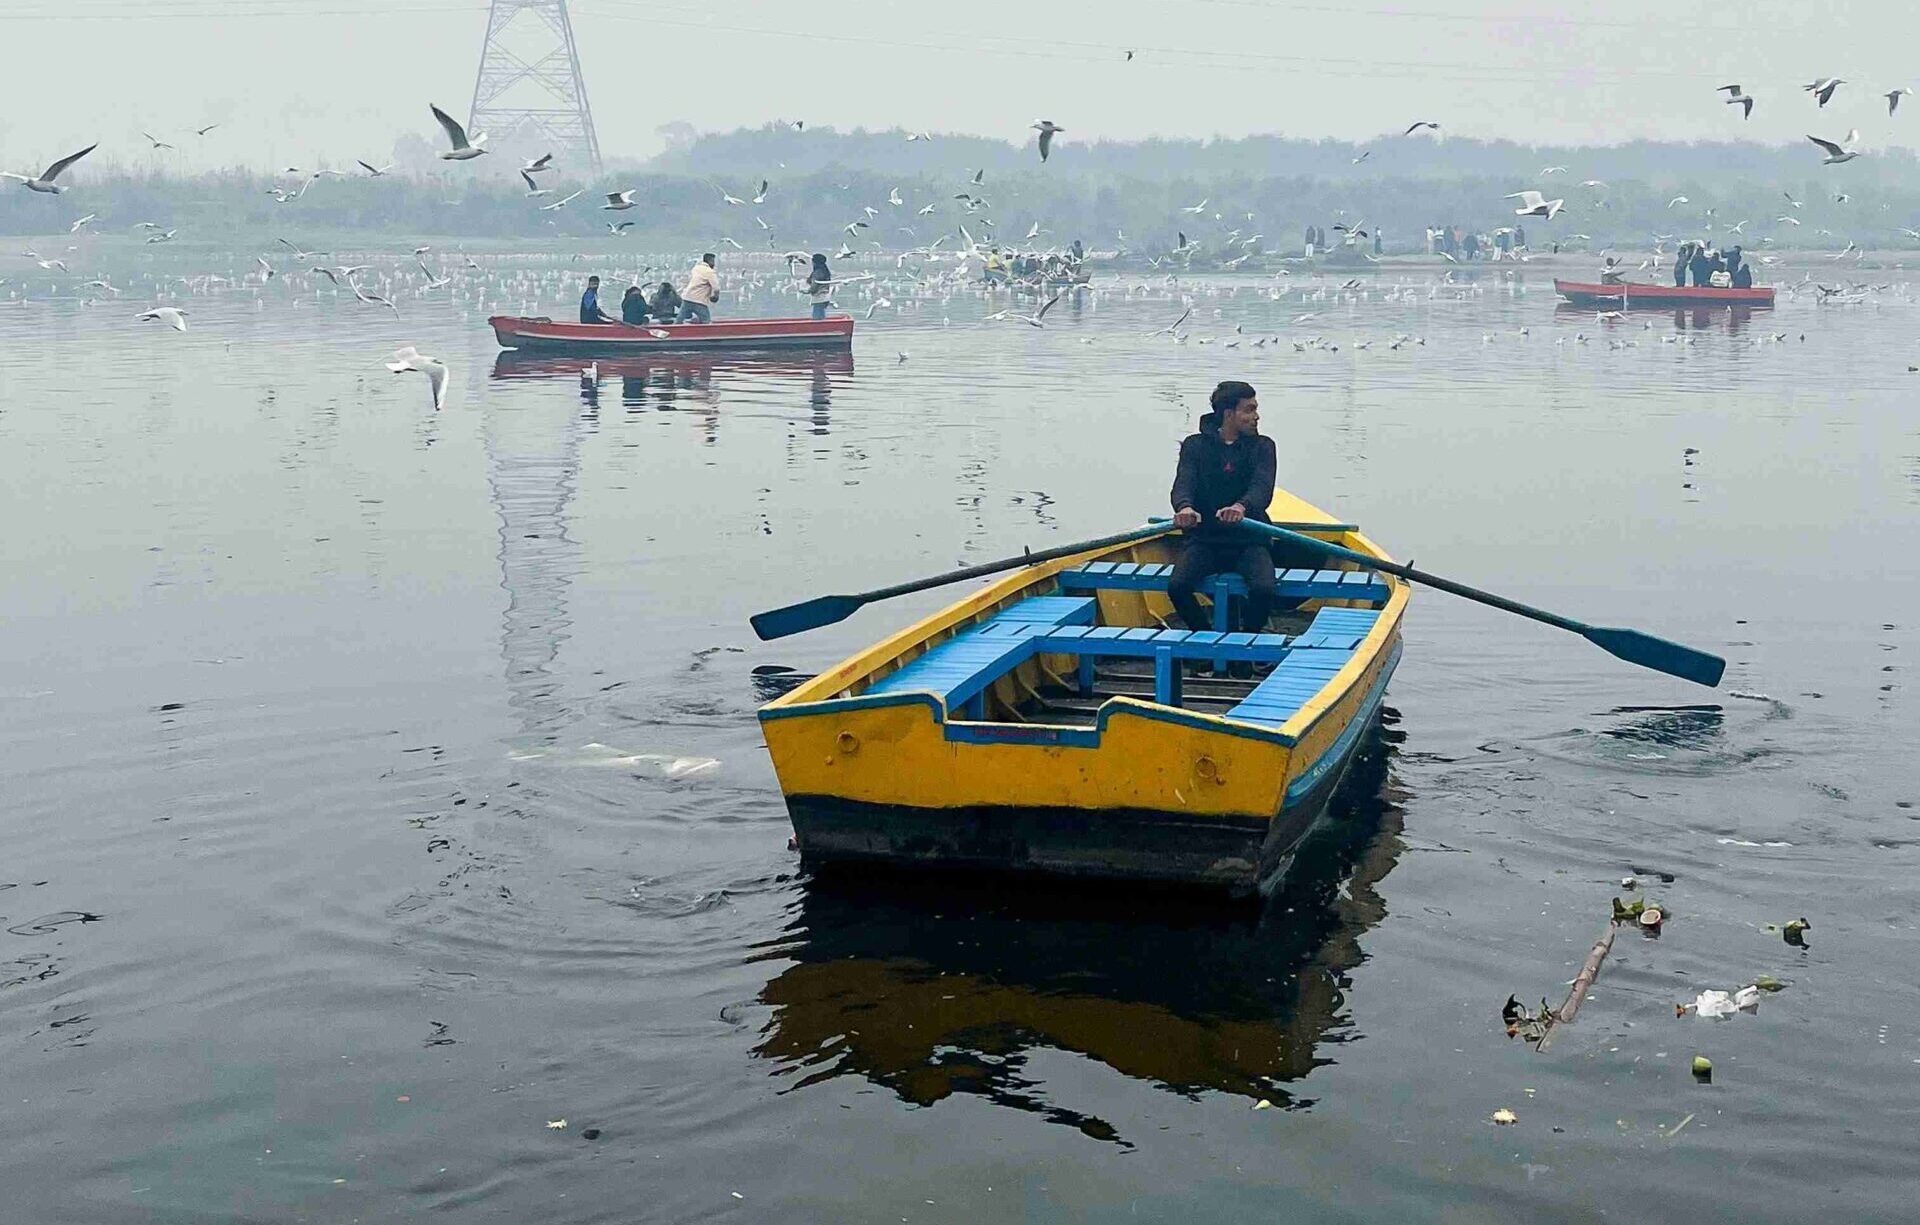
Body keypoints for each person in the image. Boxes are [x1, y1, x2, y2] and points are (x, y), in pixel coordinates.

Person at [1168, 381, 1278, 662]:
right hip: (1205, 539)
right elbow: (1184, 484)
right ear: (1228, 414)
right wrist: (1185, 508)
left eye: (1255, 409)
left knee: (1264, 589)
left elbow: (1262, 487)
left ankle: (1243, 651)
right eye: (1249, 410)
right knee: (1178, 588)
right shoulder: (1195, 446)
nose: (1256, 416)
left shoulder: (1263, 446)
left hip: (1249, 540)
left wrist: (1241, 506)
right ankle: (1208, 645)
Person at [677, 253, 719, 323]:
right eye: (713, 261)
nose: (714, 264)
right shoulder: (710, 272)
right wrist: (715, 297)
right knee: (706, 321)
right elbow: (716, 288)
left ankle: (673, 330)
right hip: (698, 301)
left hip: (687, 298)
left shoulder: (696, 268)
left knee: (679, 319)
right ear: (710, 261)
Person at [804, 253, 832, 320]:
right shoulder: (825, 271)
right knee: (821, 315)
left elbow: (815, 285)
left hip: (819, 297)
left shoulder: (818, 272)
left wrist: (807, 291)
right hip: (825, 296)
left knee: (817, 317)